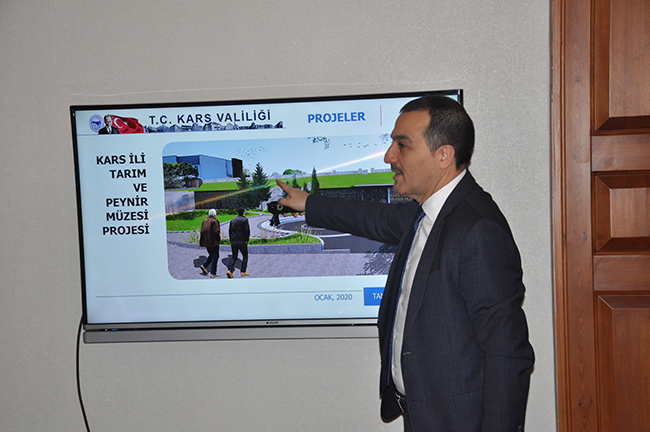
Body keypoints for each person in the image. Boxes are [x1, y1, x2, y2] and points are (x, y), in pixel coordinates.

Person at [277, 95, 534, 431]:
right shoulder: (425, 214)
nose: (389, 156)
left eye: (403, 145)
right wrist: (309, 203)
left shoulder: (477, 230)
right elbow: (372, 217)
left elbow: (507, 352)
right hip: (423, 415)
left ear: (444, 156)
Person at [227, 208, 250, 278]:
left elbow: (230, 231)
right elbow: (247, 231)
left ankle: (230, 270)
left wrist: (231, 240)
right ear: (243, 213)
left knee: (234, 256)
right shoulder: (245, 220)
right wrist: (247, 240)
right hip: (242, 241)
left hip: (234, 241)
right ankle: (243, 271)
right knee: (245, 256)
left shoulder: (233, 220)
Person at [199, 209, 221, 278]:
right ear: (215, 215)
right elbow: (216, 232)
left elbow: (202, 231)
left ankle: (204, 265)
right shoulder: (214, 221)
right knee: (215, 256)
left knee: (212, 255)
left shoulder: (204, 221)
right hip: (213, 242)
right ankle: (213, 273)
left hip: (206, 242)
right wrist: (218, 240)